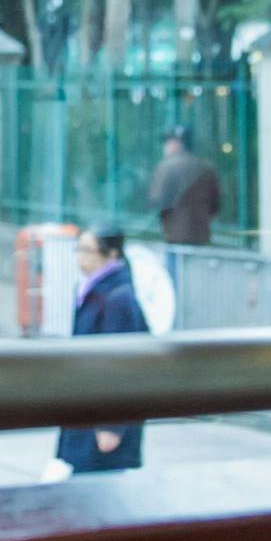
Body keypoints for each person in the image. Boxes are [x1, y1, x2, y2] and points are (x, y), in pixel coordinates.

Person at [56, 227, 148, 474]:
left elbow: (125, 366)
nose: (80, 257)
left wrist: (113, 425)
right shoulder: (91, 289)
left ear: (111, 254)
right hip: (87, 407)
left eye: (87, 250)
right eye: (79, 249)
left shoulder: (118, 297)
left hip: (102, 422)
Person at [146, 125, 222, 246]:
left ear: (177, 143)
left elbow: (157, 201)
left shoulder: (166, 167)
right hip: (201, 234)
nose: (165, 146)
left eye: (168, 142)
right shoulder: (206, 167)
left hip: (175, 235)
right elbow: (216, 204)